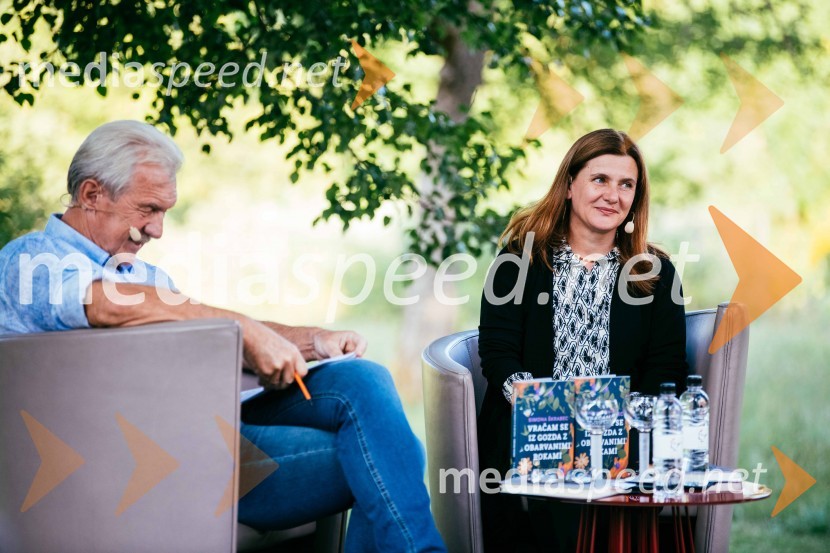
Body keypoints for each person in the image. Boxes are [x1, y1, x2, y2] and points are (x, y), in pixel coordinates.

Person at [0, 120, 447, 553]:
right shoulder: (33, 262)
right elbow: (105, 303)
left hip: (207, 422)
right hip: (143, 459)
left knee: (362, 380)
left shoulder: (144, 275)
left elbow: (206, 331)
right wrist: (246, 330)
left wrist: (310, 342)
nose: (157, 229)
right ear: (92, 194)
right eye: (148, 209)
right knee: (381, 457)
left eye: (164, 212)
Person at [477, 128, 688, 552]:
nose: (614, 194)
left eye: (626, 184)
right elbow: (497, 354)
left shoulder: (656, 274)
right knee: (560, 498)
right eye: (600, 180)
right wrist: (550, 419)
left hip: (624, 437)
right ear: (570, 185)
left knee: (610, 482)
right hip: (533, 431)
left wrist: (613, 434)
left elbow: (666, 368)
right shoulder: (519, 260)